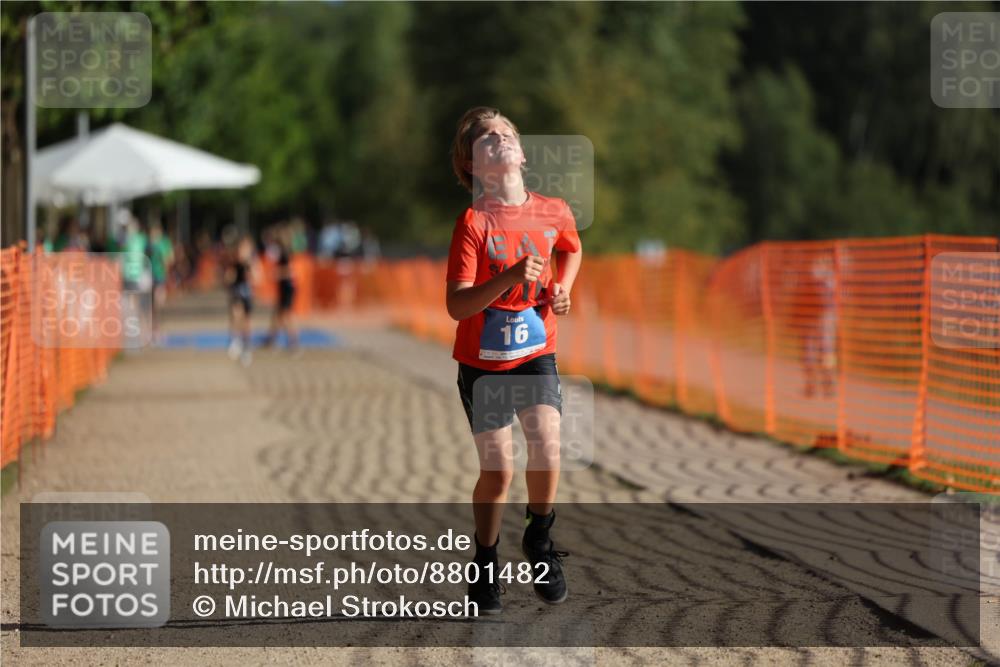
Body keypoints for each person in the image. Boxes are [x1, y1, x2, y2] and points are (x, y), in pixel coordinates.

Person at [445, 107, 582, 614]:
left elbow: (572, 248)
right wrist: (507, 278)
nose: (500, 139)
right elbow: (457, 305)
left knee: (547, 444)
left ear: (522, 154)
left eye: (507, 134)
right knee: (499, 470)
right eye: (486, 138)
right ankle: (485, 562)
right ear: (472, 165)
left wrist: (562, 289)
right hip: (483, 361)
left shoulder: (553, 210)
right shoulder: (474, 222)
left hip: (536, 350)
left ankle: (539, 537)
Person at [262, 224, 299, 353]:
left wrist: (277, 273)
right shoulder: (282, 251)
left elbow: (290, 271)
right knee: (277, 314)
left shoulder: (285, 252)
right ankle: (272, 339)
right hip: (284, 287)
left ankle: (293, 341)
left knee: (285, 315)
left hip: (287, 287)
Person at [225, 235, 256, 367]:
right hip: (237, 292)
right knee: (236, 314)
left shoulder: (251, 262)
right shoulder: (234, 262)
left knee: (246, 321)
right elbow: (228, 277)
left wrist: (250, 269)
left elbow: (256, 277)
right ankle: (235, 341)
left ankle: (246, 345)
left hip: (247, 293)